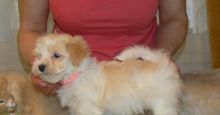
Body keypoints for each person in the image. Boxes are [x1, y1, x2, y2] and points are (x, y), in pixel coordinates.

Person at [17, 0, 188, 95]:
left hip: (142, 82)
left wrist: (158, 58)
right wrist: (42, 66)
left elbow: (174, 19)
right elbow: (31, 29)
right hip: (71, 85)